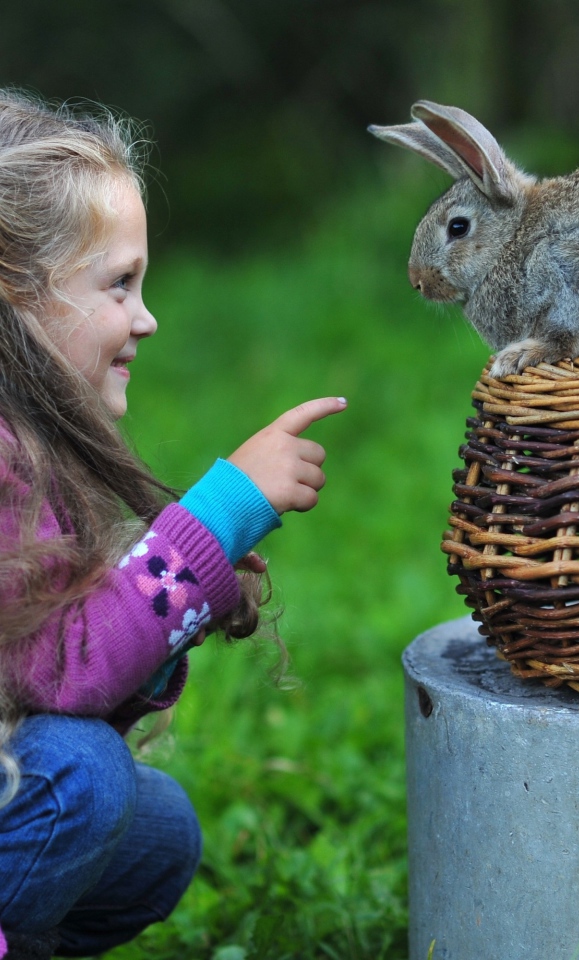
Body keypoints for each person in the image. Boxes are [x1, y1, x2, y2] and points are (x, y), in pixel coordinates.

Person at [0, 88, 346, 959]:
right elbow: (65, 675)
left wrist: (172, 578)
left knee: (158, 836)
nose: (147, 317)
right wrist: (216, 518)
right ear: (16, 293)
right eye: (120, 284)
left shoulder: (35, 443)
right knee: (83, 779)